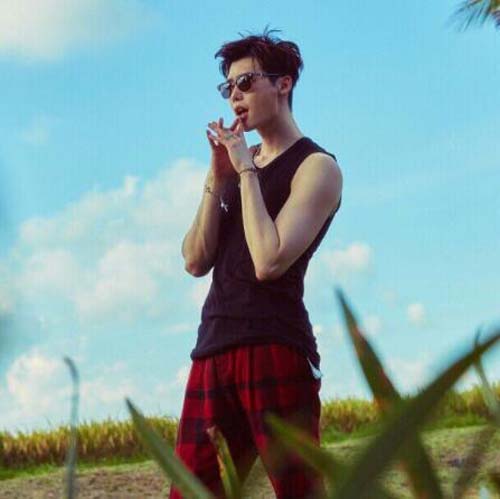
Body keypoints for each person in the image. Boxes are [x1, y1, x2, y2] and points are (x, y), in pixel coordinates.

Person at [170, 27, 343, 499]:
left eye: (245, 83)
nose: (235, 97)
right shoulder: (236, 166)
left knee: (298, 489)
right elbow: (194, 260)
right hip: (213, 345)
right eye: (228, 87)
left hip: (275, 345)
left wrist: (245, 170)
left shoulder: (316, 166)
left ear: (284, 84)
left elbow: (269, 261)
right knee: (192, 491)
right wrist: (218, 175)